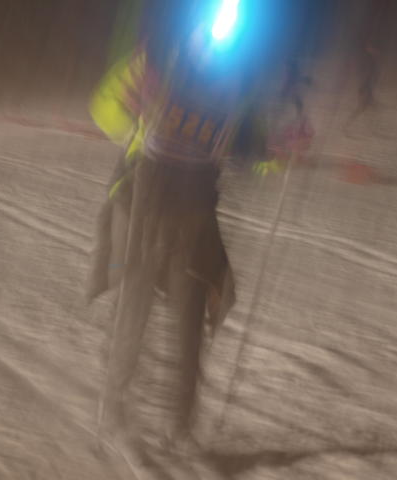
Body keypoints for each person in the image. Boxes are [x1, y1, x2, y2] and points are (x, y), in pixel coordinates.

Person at [86, 0, 277, 456]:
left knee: (190, 319)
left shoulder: (238, 87)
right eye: (207, 36)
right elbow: (104, 107)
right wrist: (131, 113)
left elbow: (255, 150)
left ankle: (181, 424)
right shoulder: (156, 64)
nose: (213, 48)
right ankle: (113, 409)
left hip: (194, 216)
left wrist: (277, 153)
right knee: (134, 306)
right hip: (142, 202)